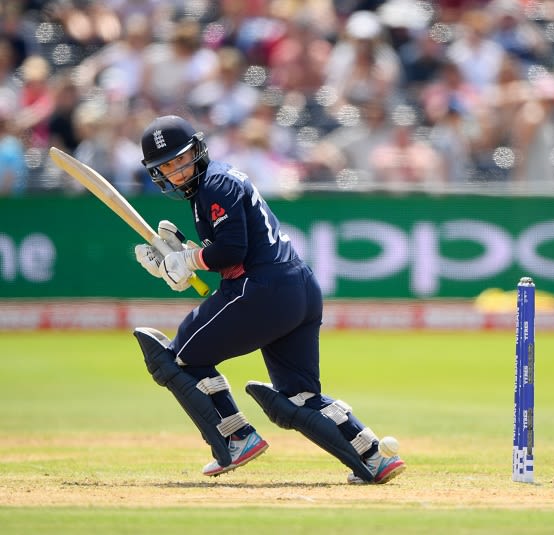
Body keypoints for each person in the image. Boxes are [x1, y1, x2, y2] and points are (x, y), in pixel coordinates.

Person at [131, 115, 406, 484]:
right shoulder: (220, 181)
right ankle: (372, 457)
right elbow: (231, 249)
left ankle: (235, 437)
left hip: (261, 290)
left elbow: (231, 250)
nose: (178, 171)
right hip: (299, 289)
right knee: (299, 395)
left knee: (178, 358)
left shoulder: (214, 185)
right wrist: (184, 259)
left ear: (197, 151)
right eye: (167, 166)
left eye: (181, 160)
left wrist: (186, 260)